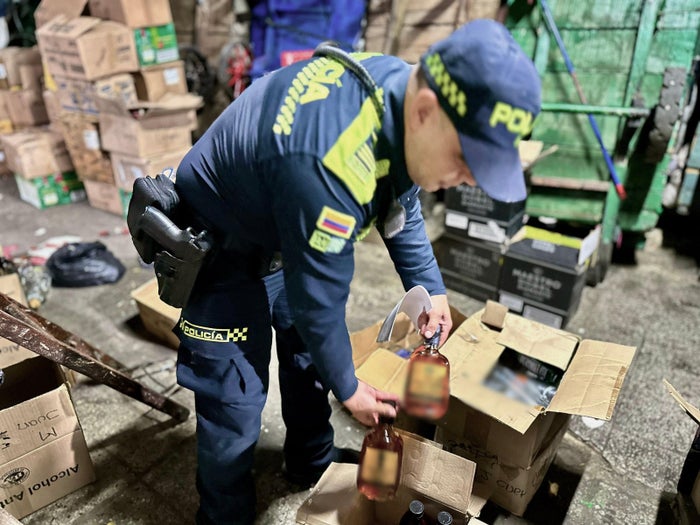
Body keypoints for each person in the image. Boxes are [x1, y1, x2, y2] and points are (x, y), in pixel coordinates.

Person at [168, 18, 540, 525]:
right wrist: (350, 389)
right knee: (234, 399)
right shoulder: (331, 163)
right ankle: (224, 516)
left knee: (307, 356)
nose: (469, 180)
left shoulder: (399, 89)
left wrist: (430, 288)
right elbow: (317, 301)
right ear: (425, 111)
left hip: (279, 222)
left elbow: (400, 202)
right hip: (223, 242)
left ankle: (311, 462)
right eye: (465, 159)